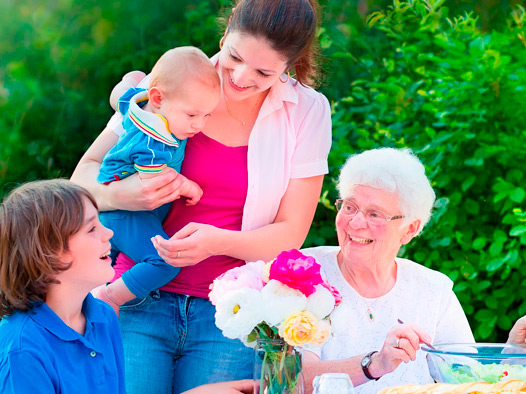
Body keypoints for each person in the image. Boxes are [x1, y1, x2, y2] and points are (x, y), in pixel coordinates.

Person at [70, 0, 331, 392]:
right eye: (234, 56)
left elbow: (291, 232)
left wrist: (216, 243)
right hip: (134, 296)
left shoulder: (308, 111)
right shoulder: (176, 79)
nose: (240, 78)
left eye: (263, 72)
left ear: (289, 66)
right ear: (224, 36)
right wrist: (129, 194)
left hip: (231, 312)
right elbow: (82, 179)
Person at [301, 148, 526, 394]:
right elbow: (291, 379)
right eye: (349, 207)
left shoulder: (432, 289)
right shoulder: (303, 272)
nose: (355, 223)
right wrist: (375, 364)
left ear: (410, 230)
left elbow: (467, 382)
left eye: (375, 214)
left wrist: (516, 352)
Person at [0, 179, 255, 394]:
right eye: (91, 228)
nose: (108, 234)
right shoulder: (22, 350)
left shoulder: (103, 316)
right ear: (50, 253)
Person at [94, 46, 220, 315]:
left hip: (120, 214)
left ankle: (94, 296)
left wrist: (131, 78)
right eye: (192, 115)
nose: (199, 125)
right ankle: (110, 298)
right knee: (164, 262)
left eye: (206, 115)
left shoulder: (140, 107)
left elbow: (121, 96)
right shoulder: (154, 139)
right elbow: (154, 179)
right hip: (126, 214)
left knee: (104, 263)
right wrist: (187, 185)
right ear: (158, 98)